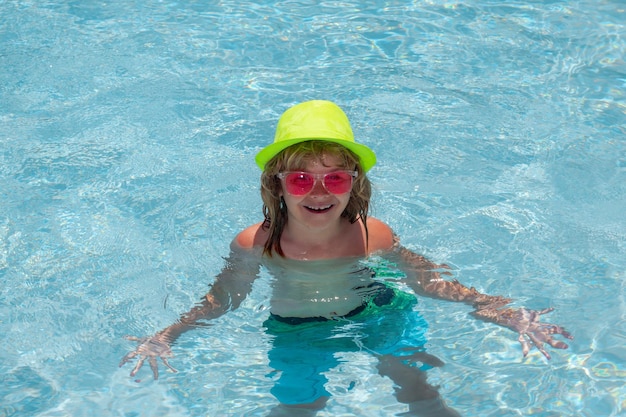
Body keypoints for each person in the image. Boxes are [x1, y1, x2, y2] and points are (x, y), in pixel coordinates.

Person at [120, 100, 573, 416]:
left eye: (334, 179)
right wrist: (167, 334)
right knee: (297, 404)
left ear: (354, 182)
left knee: (419, 390)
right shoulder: (255, 243)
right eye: (300, 179)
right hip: (297, 332)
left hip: (378, 315)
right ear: (275, 183)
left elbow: (428, 281)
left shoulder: (373, 236)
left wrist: (502, 312)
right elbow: (221, 299)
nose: (318, 192)